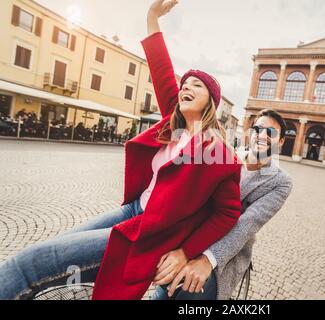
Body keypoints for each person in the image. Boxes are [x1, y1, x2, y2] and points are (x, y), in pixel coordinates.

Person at [0, 0, 242, 300]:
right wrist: (152, 17)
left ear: (211, 102)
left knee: (30, 263)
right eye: (184, 84)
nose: (185, 87)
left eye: (196, 85)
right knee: (58, 250)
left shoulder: (218, 153)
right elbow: (161, 68)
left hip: (147, 231)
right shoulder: (172, 121)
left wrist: (186, 251)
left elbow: (228, 212)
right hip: (132, 210)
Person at [151, 109, 293, 300]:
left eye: (271, 133)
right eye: (258, 129)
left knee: (188, 292)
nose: (262, 135)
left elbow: (247, 225)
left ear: (281, 141)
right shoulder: (227, 154)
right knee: (164, 292)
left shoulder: (280, 182)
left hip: (226, 256)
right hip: (193, 236)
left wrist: (208, 259)